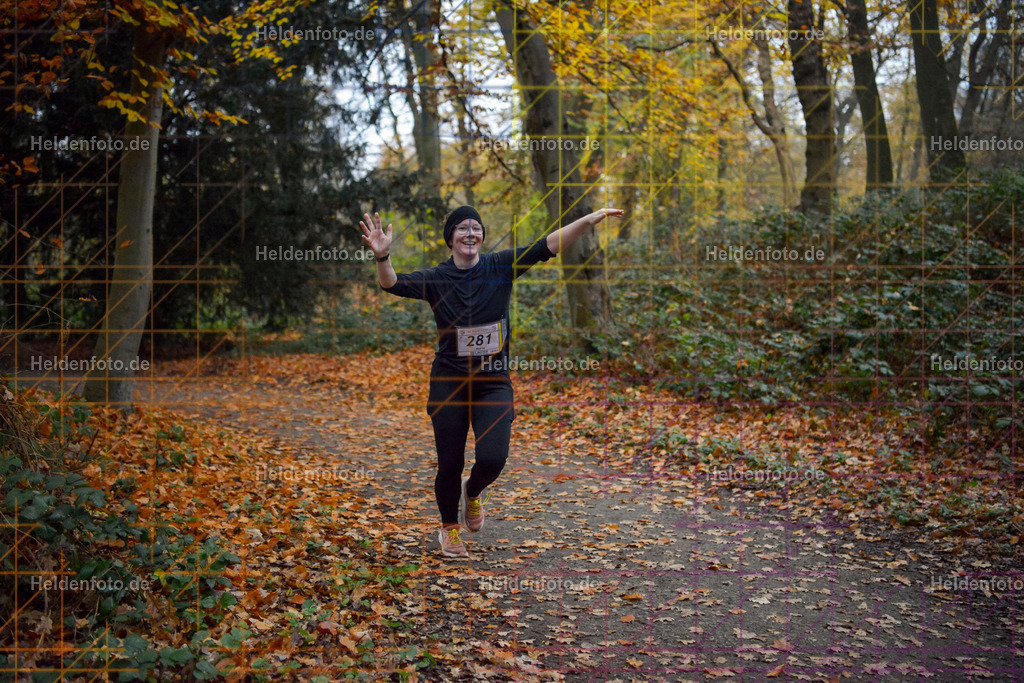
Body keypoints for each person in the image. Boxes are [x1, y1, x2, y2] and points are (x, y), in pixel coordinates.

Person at [361, 205, 623, 558]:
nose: (471, 234)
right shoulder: (437, 279)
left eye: (477, 228)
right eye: (462, 229)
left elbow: (547, 245)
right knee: (450, 463)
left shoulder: (501, 267)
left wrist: (588, 220)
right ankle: (449, 530)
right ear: (450, 238)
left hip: (492, 382)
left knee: (493, 458)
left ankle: (473, 491)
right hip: (449, 385)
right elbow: (392, 283)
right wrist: (383, 256)